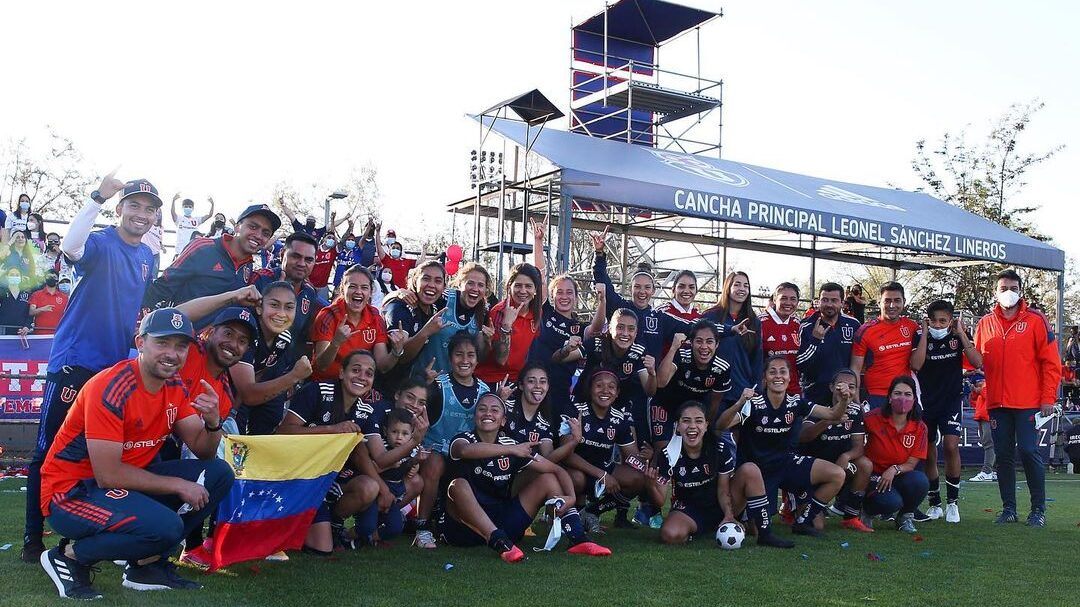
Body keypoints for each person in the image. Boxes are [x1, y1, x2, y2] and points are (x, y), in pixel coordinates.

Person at [37, 308, 233, 600]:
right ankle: (69, 555)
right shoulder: (112, 387)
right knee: (166, 527)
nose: (172, 353)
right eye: (162, 343)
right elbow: (108, 475)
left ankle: (146, 566)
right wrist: (179, 485)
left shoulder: (174, 385)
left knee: (218, 474)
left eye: (181, 346)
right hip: (71, 492)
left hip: (123, 485)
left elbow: (203, 451)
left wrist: (213, 421)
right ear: (140, 343)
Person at [22, 172, 161, 563]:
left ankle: (87, 532)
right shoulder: (101, 242)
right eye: (134, 205)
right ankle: (33, 541)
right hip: (75, 363)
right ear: (119, 209)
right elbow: (71, 245)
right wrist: (97, 196)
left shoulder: (148, 257)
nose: (142, 214)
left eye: (149, 209)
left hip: (113, 372)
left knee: (100, 457)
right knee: (47, 451)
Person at [438, 393, 611, 561]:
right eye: (482, 409)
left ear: (503, 420)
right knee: (457, 485)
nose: (488, 413)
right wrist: (512, 449)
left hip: (503, 523)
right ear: (475, 417)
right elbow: (465, 451)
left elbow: (557, 471)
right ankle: (499, 542)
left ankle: (578, 538)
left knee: (547, 479)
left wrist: (571, 497)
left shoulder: (512, 445)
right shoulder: (463, 439)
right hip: (463, 529)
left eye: (494, 410)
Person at [714, 356, 847, 538]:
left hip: (784, 463)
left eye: (783, 371)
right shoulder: (754, 404)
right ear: (765, 378)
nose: (778, 376)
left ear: (790, 377)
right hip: (758, 472)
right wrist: (739, 403)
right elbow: (721, 425)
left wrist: (844, 399)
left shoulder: (795, 402)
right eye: (772, 372)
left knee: (837, 474)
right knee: (754, 530)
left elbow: (833, 413)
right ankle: (748, 515)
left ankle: (803, 522)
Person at [973, 269, 1061, 527]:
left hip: (1028, 403)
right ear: (995, 292)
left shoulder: (1036, 320)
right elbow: (976, 360)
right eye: (1003, 288)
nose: (1008, 292)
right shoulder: (985, 323)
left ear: (1021, 291)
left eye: (1013, 287)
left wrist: (1048, 398)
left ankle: (1038, 510)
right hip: (997, 403)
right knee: (1002, 455)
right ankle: (1008, 509)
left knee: (1028, 450)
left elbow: (1051, 362)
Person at [276, 350, 383, 554]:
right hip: (295, 475)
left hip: (325, 479)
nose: (362, 377)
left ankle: (333, 524)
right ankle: (296, 523)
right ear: (342, 373)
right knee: (322, 549)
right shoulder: (316, 391)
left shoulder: (365, 410)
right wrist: (332, 429)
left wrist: (414, 440)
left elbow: (369, 453)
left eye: (369, 373)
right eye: (356, 370)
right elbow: (284, 431)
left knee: (370, 487)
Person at [658, 401, 793, 548]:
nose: (692, 426)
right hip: (689, 510)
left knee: (750, 470)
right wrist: (651, 482)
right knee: (670, 535)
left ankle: (765, 534)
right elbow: (660, 499)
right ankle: (697, 530)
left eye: (698, 421)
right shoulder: (668, 454)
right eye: (686, 421)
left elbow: (723, 488)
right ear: (677, 426)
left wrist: (729, 514)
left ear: (706, 425)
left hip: (720, 504)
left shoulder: (719, 448)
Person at [413, 331, 492, 549]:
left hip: (464, 455)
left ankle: (465, 521)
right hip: (435, 452)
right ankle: (422, 526)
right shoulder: (438, 385)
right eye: (459, 355)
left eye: (470, 355)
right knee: (435, 465)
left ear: (477, 359)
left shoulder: (484, 390)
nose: (465, 361)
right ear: (450, 358)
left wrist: (499, 402)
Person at [143, 203, 280, 329]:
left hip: (214, 348)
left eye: (265, 233)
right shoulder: (203, 247)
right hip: (180, 338)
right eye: (253, 227)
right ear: (237, 226)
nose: (258, 235)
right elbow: (162, 286)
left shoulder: (248, 266)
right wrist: (144, 327)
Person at [560, 370, 662, 532]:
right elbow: (566, 455)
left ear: (617, 393)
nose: (605, 391)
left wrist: (647, 460)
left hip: (604, 469)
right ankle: (572, 515)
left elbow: (631, 456)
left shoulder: (619, 418)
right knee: (577, 479)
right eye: (599, 386)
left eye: (611, 387)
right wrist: (602, 474)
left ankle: (592, 511)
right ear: (590, 389)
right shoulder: (574, 411)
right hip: (577, 469)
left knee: (637, 478)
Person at [910, 300, 982, 523]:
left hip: (950, 401)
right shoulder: (921, 337)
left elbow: (977, 362)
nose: (938, 325)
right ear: (927, 320)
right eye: (934, 321)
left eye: (943, 321)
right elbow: (916, 365)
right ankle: (935, 503)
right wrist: (924, 334)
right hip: (926, 402)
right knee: (929, 450)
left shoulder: (957, 337)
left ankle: (953, 503)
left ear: (951, 321)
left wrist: (962, 335)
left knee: (951, 445)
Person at [591, 227, 693, 359]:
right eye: (637, 287)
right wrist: (599, 254)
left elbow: (693, 329)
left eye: (647, 287)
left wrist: (727, 330)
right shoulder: (620, 308)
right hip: (617, 376)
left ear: (653, 290)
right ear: (630, 289)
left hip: (648, 378)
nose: (642, 292)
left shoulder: (661, 318)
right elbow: (602, 282)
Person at [229, 281, 313, 435]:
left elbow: (259, 373)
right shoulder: (244, 331)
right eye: (274, 305)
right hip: (208, 396)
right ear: (259, 308)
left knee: (270, 417)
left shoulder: (284, 338)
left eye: (289, 307)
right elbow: (249, 394)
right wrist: (294, 376)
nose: (281, 314)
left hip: (238, 395)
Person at [797, 368, 874, 533]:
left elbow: (859, 446)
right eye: (841, 385)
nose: (846, 390)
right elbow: (803, 437)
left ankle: (851, 518)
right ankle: (794, 504)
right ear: (832, 387)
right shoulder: (818, 407)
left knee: (865, 465)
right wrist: (827, 421)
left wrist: (846, 456)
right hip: (812, 468)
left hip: (839, 464)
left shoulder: (855, 410)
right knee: (816, 525)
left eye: (852, 387)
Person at [312, 265, 407, 380]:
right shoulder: (328, 315)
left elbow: (382, 366)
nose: (358, 292)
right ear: (342, 289)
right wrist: (335, 343)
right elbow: (322, 365)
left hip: (357, 385)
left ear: (371, 292)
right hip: (325, 383)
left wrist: (396, 351)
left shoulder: (376, 318)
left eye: (364, 288)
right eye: (352, 286)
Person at [862, 376, 930, 534]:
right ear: (890, 397)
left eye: (908, 394)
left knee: (920, 481)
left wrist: (893, 469)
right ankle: (866, 511)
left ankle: (905, 517)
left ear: (914, 398)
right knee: (892, 503)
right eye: (898, 393)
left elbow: (911, 464)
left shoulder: (920, 427)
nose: (903, 398)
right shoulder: (872, 418)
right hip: (873, 476)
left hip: (898, 475)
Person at [525, 275, 606, 403]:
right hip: (533, 385)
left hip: (559, 391)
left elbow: (595, 329)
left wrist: (602, 301)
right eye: (559, 292)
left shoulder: (578, 328)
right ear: (552, 296)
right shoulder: (545, 312)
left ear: (576, 297)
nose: (564, 297)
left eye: (569, 292)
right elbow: (539, 273)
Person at [703, 272, 764, 433]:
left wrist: (757, 389)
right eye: (737, 284)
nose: (742, 289)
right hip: (714, 390)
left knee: (737, 441)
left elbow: (757, 359)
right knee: (713, 435)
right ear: (727, 287)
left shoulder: (754, 322)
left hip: (742, 391)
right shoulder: (711, 316)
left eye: (746, 285)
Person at [653, 321, 732, 444]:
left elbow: (714, 404)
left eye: (709, 342)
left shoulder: (722, 367)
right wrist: (673, 348)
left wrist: (707, 427)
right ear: (691, 342)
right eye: (699, 341)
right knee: (662, 448)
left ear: (717, 345)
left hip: (694, 413)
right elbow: (661, 382)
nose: (704, 347)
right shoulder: (682, 354)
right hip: (666, 405)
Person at [249, 232, 322, 358]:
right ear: (282, 254)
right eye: (296, 256)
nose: (301, 263)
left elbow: (300, 338)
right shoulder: (260, 279)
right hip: (249, 366)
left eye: (309, 259)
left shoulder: (310, 293)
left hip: (284, 371)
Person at [381, 260, 448, 393]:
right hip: (386, 388)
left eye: (438, 281)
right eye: (426, 279)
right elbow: (402, 356)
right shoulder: (400, 308)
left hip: (411, 386)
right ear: (415, 281)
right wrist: (426, 332)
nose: (432, 285)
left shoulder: (436, 305)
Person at [850, 282, 919, 409]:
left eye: (897, 300)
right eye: (887, 301)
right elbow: (855, 369)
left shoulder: (912, 326)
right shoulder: (865, 331)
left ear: (904, 302)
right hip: (876, 396)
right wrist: (856, 401)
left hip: (904, 396)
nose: (892, 305)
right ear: (879, 302)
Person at [476, 260, 544, 386]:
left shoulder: (537, 312)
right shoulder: (499, 312)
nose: (523, 291)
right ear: (509, 287)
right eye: (518, 285)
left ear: (535, 289)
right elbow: (500, 360)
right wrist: (506, 327)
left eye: (528, 286)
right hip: (490, 379)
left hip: (516, 379)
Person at [503, 363, 581, 465]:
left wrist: (574, 441)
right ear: (521, 385)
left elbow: (548, 459)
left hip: (524, 471)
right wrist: (498, 401)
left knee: (552, 475)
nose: (538, 386)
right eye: (531, 381)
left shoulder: (544, 421)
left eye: (543, 382)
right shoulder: (505, 406)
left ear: (548, 387)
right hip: (497, 468)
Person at [797, 282, 862, 404]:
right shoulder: (806, 326)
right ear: (819, 301)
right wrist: (815, 340)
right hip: (814, 394)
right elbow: (800, 365)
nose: (829, 304)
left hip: (844, 394)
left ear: (842, 303)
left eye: (834, 300)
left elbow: (859, 363)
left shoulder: (854, 325)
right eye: (825, 300)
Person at [760, 282, 802, 395]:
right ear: (774, 299)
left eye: (793, 299)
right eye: (784, 298)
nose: (788, 303)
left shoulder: (798, 324)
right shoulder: (759, 323)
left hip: (794, 391)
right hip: (767, 392)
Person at [966, 372, 998, 482]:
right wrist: (974, 389)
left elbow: (988, 396)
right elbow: (975, 399)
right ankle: (992, 470)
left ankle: (987, 471)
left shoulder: (993, 379)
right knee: (987, 443)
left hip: (990, 415)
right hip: (982, 414)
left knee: (989, 443)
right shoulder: (986, 383)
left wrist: (981, 386)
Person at [28, 270, 68, 334]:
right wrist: (42, 309)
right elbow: (31, 312)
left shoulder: (65, 298)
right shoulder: (36, 295)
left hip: (58, 335)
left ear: (57, 281)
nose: (52, 278)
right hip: (39, 335)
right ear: (45, 279)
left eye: (54, 277)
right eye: (49, 276)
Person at [281, 205, 348, 241]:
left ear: (315, 223)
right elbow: (290, 215)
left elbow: (332, 225)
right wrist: (283, 205)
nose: (311, 221)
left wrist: (344, 218)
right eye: (309, 219)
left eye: (312, 220)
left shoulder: (318, 232)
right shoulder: (299, 227)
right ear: (306, 221)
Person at [0, 267, 32, 335]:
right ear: (6, 277)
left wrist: (27, 326)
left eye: (17, 275)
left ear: (21, 278)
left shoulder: (26, 295)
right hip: (3, 330)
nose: (14, 277)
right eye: (11, 275)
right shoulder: (1, 292)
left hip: (21, 331)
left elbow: (30, 314)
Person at [309, 232, 338, 300]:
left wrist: (332, 222)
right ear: (324, 239)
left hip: (323, 287)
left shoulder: (333, 252)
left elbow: (340, 243)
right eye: (329, 238)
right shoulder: (314, 250)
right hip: (310, 285)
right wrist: (308, 283)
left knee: (323, 308)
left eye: (333, 239)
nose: (331, 240)